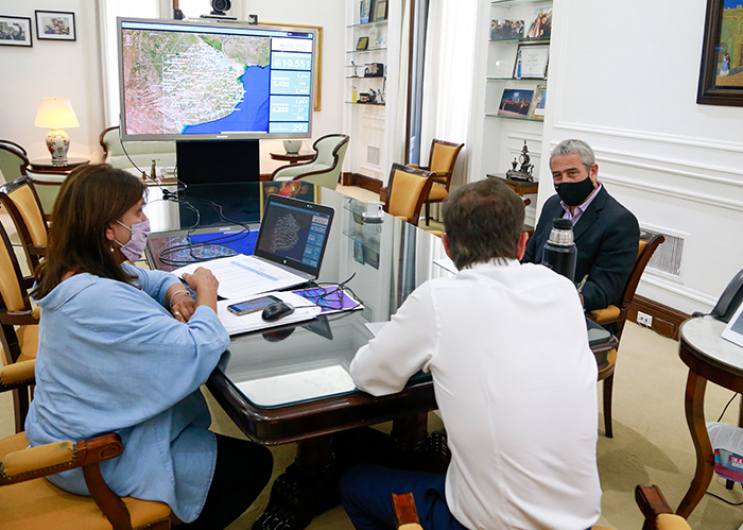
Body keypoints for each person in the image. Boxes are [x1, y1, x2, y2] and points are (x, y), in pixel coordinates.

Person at [340, 179, 602, 530]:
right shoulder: (562, 289)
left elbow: (369, 377)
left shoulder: (438, 299)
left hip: (489, 525)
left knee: (354, 482)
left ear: (446, 246)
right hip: (579, 519)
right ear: (523, 243)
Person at [25, 165, 273, 529]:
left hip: (72, 425)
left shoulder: (77, 269)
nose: (145, 223)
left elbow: (149, 278)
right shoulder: (98, 297)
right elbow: (198, 348)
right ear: (110, 228)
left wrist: (175, 292)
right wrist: (205, 293)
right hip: (94, 455)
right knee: (254, 465)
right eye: (138, 213)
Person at [522, 138, 640, 312]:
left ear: (593, 171)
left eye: (572, 173)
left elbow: (604, 290)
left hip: (572, 312)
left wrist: (552, 296)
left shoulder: (620, 221)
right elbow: (529, 255)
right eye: (557, 175)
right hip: (531, 299)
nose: (565, 181)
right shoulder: (552, 205)